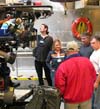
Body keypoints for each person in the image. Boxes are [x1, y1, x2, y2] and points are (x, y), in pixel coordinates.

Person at [55, 41, 96, 109]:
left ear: (67, 51)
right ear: (77, 50)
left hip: (71, 100)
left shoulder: (63, 66)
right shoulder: (87, 62)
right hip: (86, 98)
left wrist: (62, 96)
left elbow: (59, 85)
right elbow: (93, 78)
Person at [90, 35, 100, 109]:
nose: (91, 45)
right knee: (93, 98)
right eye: (91, 43)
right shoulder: (95, 51)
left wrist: (96, 82)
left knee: (97, 101)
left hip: (97, 77)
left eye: (93, 43)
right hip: (93, 76)